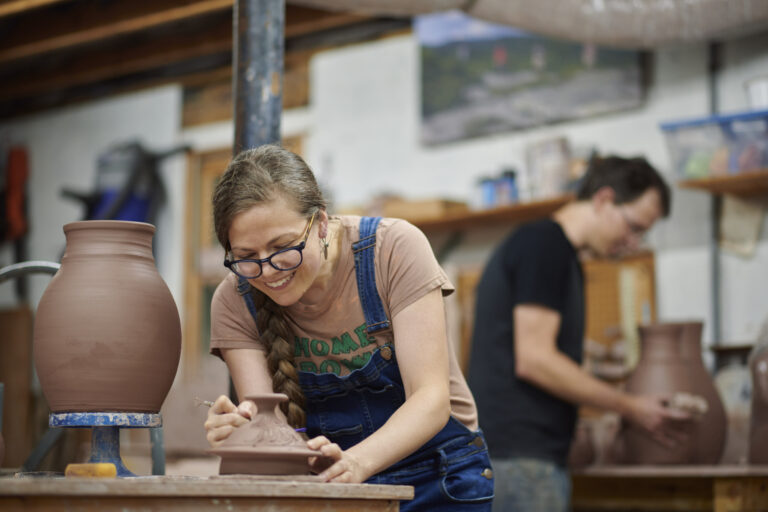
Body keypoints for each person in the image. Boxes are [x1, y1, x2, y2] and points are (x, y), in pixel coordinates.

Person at [203, 144, 494, 510]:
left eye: (283, 246)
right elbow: (271, 431)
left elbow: (431, 400)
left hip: (438, 475)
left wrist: (357, 463)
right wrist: (241, 434)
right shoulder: (234, 300)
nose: (268, 270)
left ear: (322, 222)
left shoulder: (392, 249)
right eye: (246, 257)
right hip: (333, 486)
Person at [467, 155, 690, 512]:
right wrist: (631, 407)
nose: (634, 243)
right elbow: (535, 360)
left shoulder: (556, 252)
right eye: (634, 227)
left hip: (519, 459)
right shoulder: (545, 244)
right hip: (521, 463)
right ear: (604, 199)